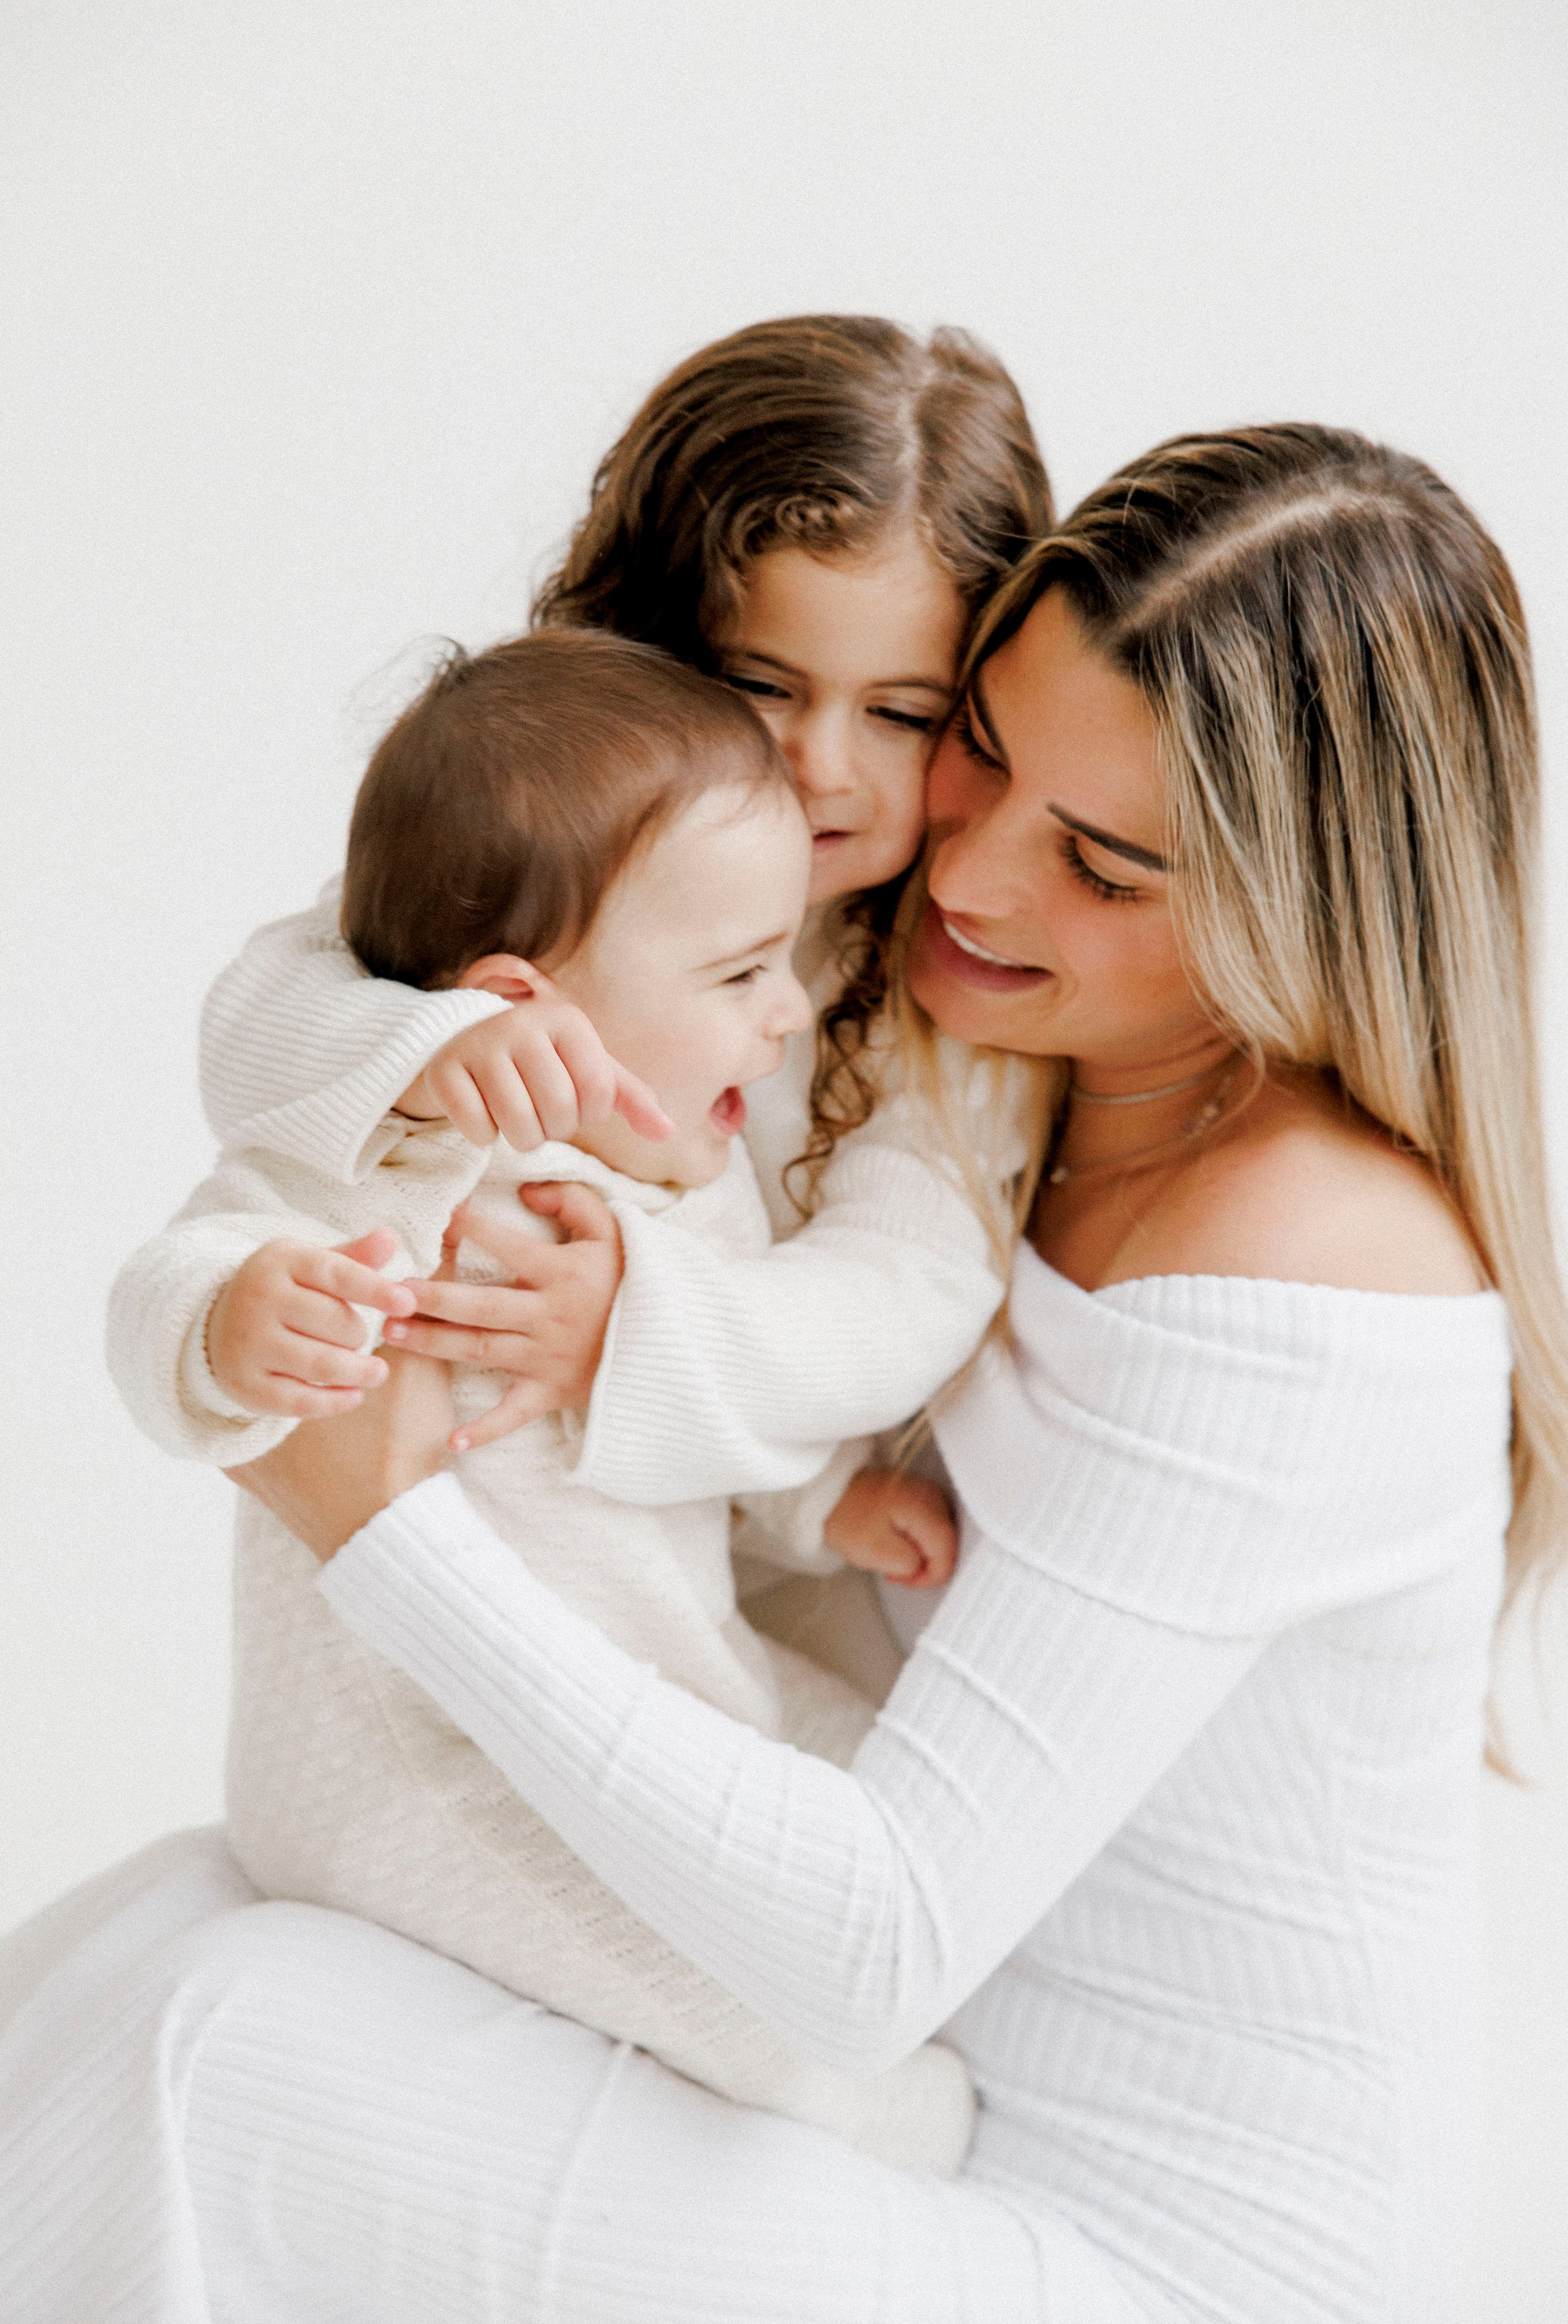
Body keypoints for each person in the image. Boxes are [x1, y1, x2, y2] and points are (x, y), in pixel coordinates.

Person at [7, 422, 1564, 2324]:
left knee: (207, 2045)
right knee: (176, 1918)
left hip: (1145, 2272)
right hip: (902, 2113)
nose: (969, 872)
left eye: (1097, 860)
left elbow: (871, 1942)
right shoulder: (994, 1055)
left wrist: (381, 1525)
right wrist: (403, 1062)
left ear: (1300, 907)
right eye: (980, 745)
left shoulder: (1302, 1271)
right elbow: (356, 965)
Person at [107, 624, 977, 2168]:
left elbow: (672, 1406)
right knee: (798, 2026)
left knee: (882, 1803)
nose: (782, 1015)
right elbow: (173, 1276)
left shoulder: (669, 1181)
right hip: (418, 1767)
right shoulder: (403, 1154)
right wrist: (239, 1317)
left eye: (783, 962)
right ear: (525, 1003)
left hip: (650, 1683)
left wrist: (810, 1496)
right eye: (736, 973)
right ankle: (912, 2141)